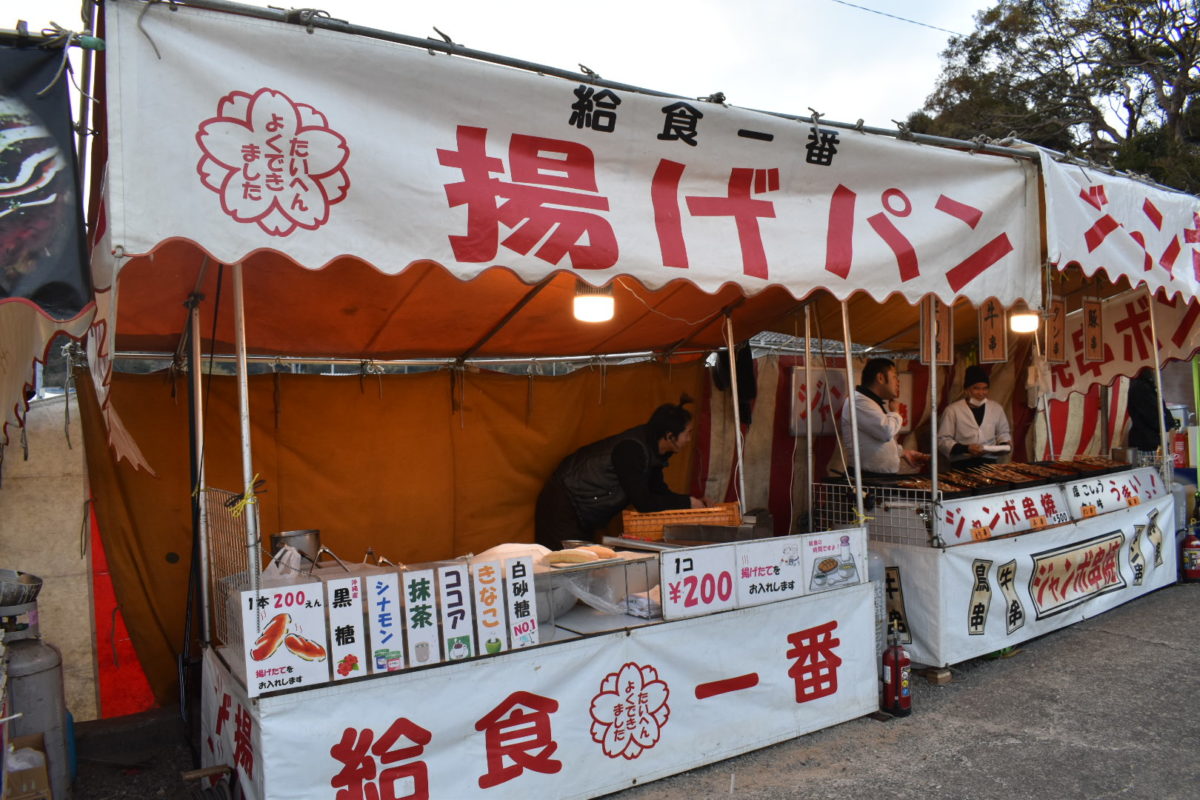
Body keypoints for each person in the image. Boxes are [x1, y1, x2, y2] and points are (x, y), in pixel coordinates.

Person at [535, 395, 709, 548]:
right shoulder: (631, 450)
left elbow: (659, 491)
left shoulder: (655, 450)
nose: (689, 439)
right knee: (565, 570)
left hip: (582, 510)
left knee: (580, 569)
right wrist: (688, 502)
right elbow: (644, 502)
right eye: (688, 433)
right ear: (670, 436)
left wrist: (693, 504)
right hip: (564, 503)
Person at [840, 358, 927, 475]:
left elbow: (879, 441)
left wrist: (903, 452)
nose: (898, 382)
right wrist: (895, 412)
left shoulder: (870, 401)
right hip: (866, 477)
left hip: (877, 477)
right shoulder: (858, 401)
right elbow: (885, 431)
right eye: (895, 377)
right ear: (880, 378)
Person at [937, 364, 1012, 469]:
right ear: (967, 390)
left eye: (985, 388)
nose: (981, 393)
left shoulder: (996, 408)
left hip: (989, 464)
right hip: (962, 464)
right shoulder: (953, 410)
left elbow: (1003, 432)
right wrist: (966, 448)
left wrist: (1004, 444)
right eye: (976, 388)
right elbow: (943, 440)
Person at [1127, 367, 1179, 457]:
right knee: (1154, 470)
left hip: (1147, 440)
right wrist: (1169, 425)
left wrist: (1170, 424)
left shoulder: (1145, 386)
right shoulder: (1141, 387)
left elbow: (1160, 410)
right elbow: (1154, 416)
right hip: (1147, 443)